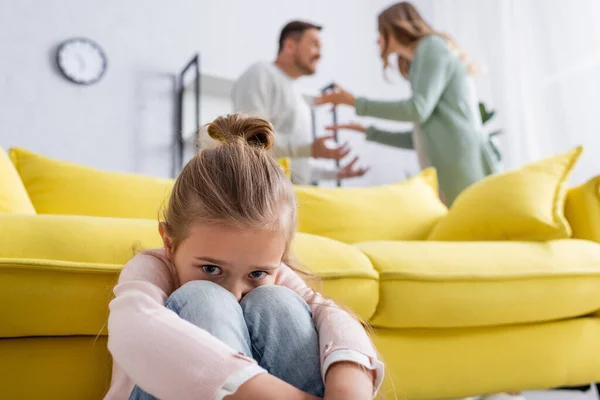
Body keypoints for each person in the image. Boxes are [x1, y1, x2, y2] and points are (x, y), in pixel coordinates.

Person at [104, 114, 383, 400]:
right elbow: (132, 329)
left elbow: (330, 314)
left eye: (256, 273)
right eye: (211, 268)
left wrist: (349, 381)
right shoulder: (153, 267)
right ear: (170, 243)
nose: (235, 292)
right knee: (206, 297)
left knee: (279, 302)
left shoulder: (273, 274)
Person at [314, 2, 501, 205]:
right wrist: (367, 132)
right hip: (452, 160)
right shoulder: (423, 57)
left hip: (460, 160)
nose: (377, 40)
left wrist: (355, 103)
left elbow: (417, 110)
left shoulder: (432, 46)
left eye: (379, 31)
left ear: (393, 28)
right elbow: (419, 137)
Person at [232, 21, 369, 185]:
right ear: (290, 46)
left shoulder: (298, 95)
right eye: (314, 45)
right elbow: (251, 141)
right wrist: (309, 149)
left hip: (293, 201)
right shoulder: (260, 73)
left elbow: (297, 165)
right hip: (268, 202)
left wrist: (338, 173)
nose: (320, 54)